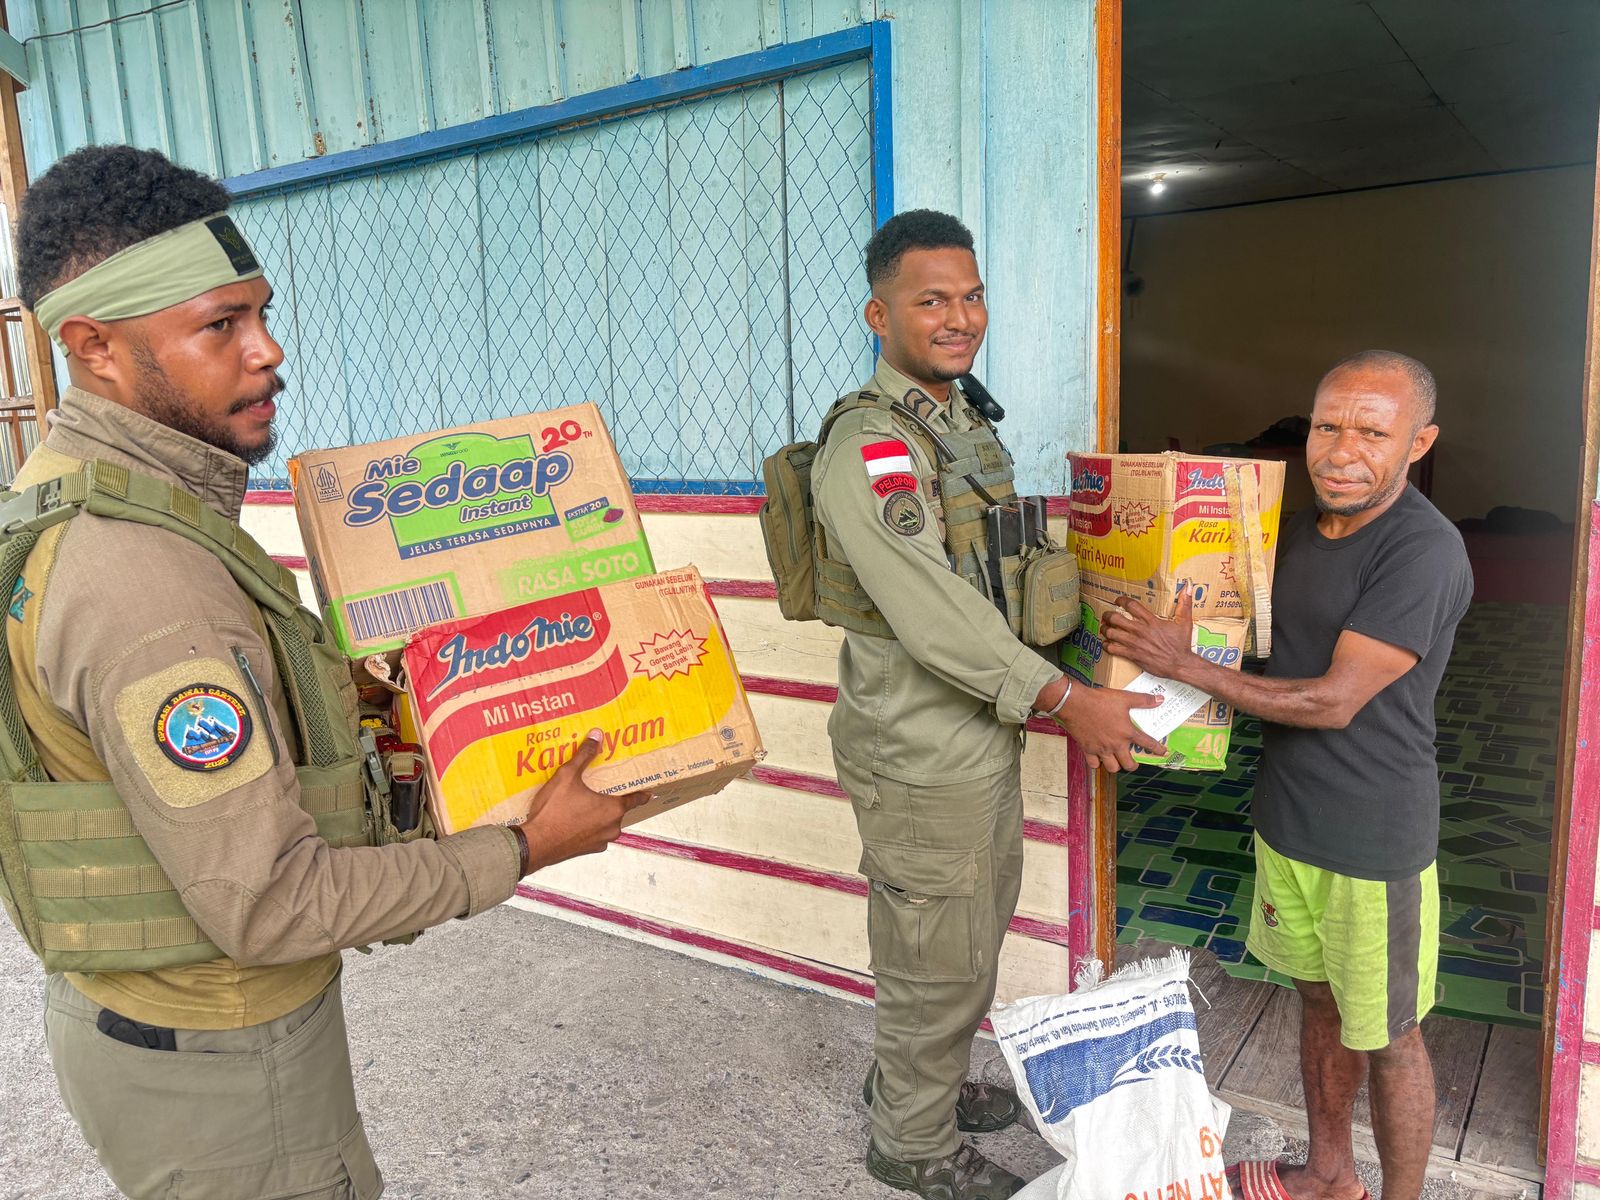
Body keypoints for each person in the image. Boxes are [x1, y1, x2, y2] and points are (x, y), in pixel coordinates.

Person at [1, 144, 648, 1200]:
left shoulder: (79, 490)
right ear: (94, 346)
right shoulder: (141, 581)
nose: (269, 353)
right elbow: (270, 905)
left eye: (261, 313)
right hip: (226, 1073)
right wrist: (524, 845)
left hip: (156, 1029)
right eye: (221, 326)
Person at [809, 209, 1166, 1200]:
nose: (960, 317)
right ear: (880, 313)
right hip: (921, 746)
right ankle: (909, 1143)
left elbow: (997, 576)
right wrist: (1067, 700)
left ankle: (909, 1085)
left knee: (959, 936)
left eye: (970, 297)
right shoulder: (872, 447)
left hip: (973, 734)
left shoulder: (960, 422)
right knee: (938, 953)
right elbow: (931, 615)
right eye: (932, 300)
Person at [1102, 350, 1473, 1200]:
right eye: (1328, 426)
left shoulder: (1425, 552)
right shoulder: (1298, 536)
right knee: (1318, 1004)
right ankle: (1329, 1172)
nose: (1342, 450)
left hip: (1373, 839)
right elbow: (1251, 644)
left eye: (1372, 433)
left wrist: (1185, 667)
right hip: (1287, 820)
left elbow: (1337, 699)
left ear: (1420, 442)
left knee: (1392, 1036)